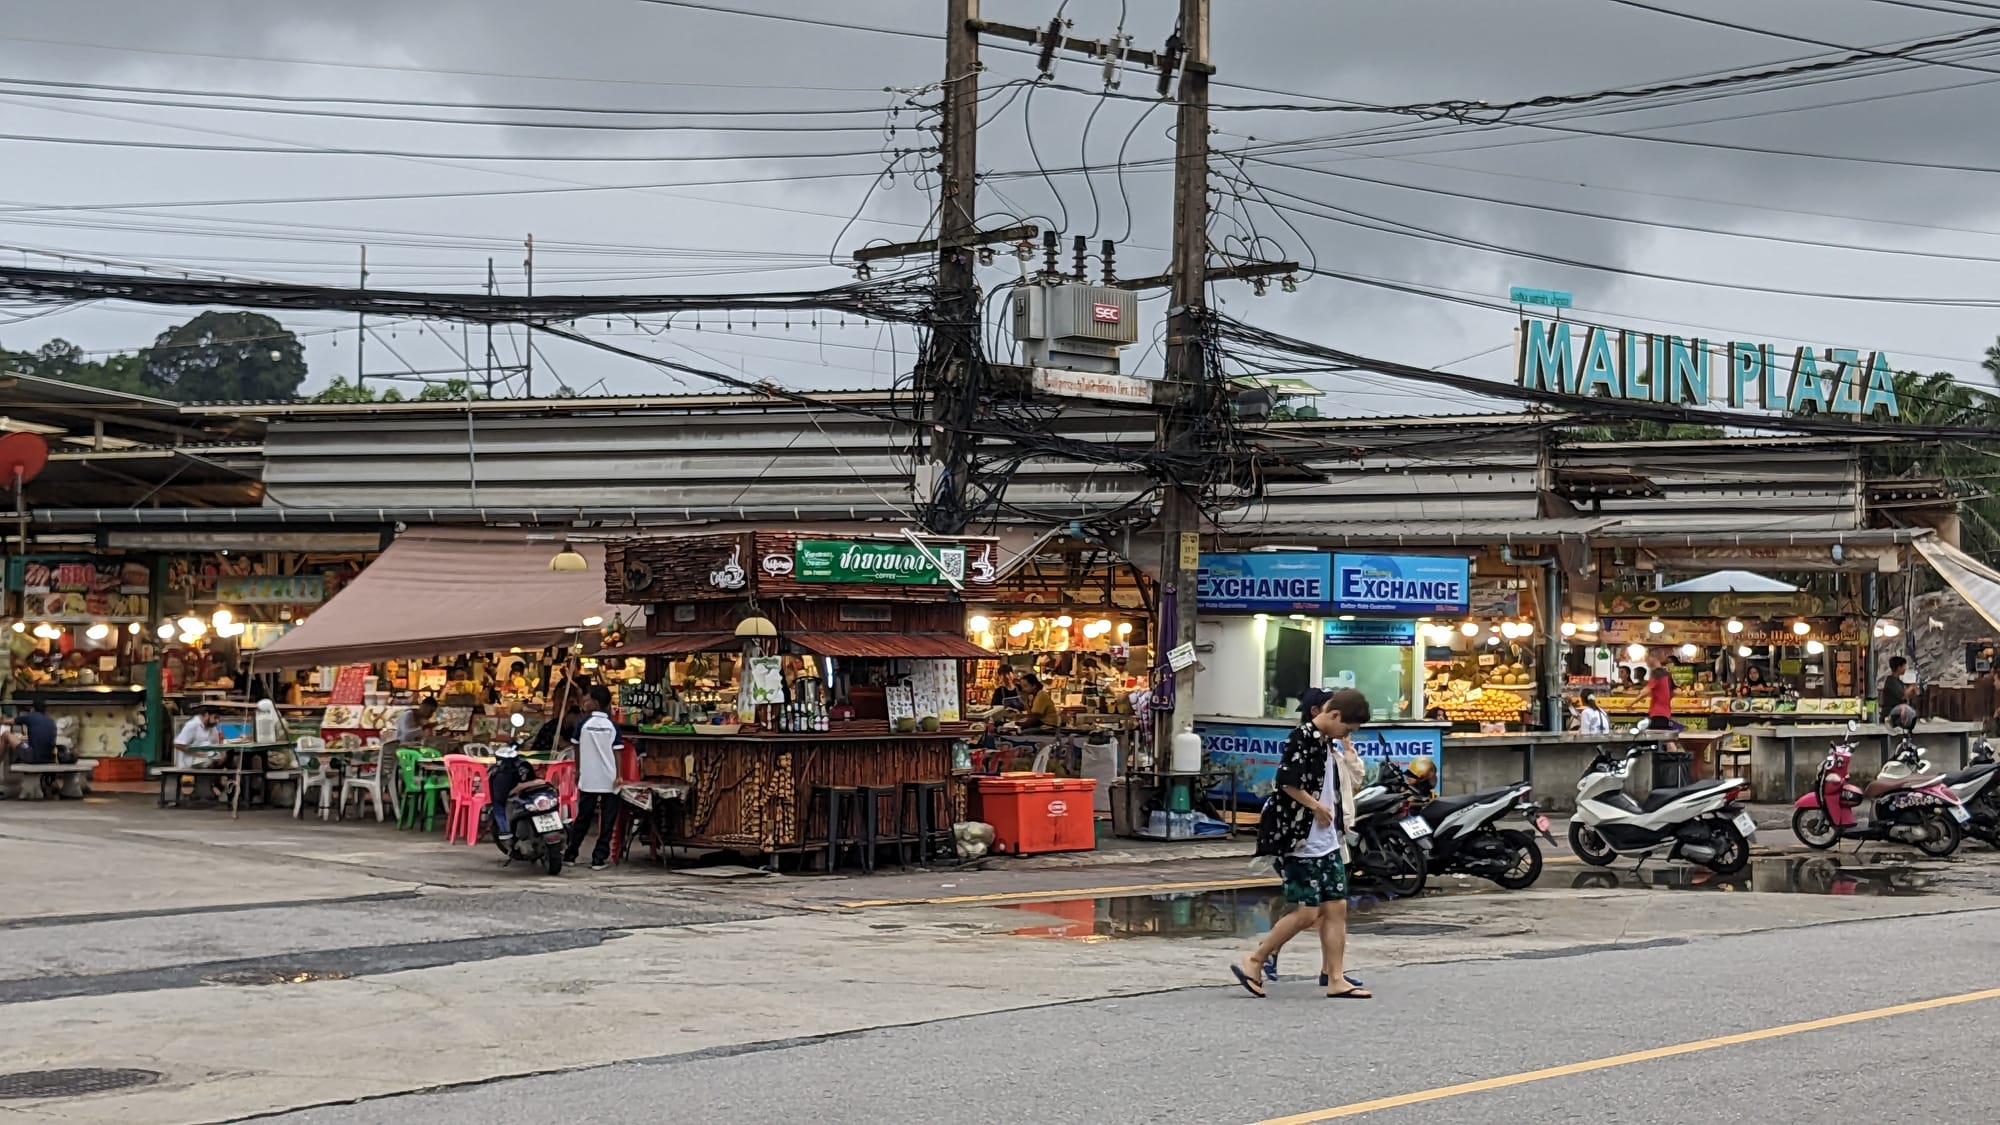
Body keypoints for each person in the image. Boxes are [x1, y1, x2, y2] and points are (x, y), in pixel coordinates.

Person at [1233, 687, 1373, 1001]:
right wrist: (1315, 806)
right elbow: (1286, 781)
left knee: (1337, 906)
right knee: (1308, 912)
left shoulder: (1326, 742)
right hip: (1301, 839)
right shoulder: (1302, 738)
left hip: (1327, 839)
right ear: (1334, 715)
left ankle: (1335, 977)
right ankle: (1255, 960)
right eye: (1346, 728)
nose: (1346, 734)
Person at [565, 685, 620, 871]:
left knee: (583, 817)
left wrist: (578, 770)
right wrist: (619, 775)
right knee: (608, 820)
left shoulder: (583, 724)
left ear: (595, 702)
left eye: (587, 699)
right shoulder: (612, 726)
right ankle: (599, 857)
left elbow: (576, 748)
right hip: (609, 778)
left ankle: (571, 854)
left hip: (588, 777)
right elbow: (617, 752)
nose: (584, 703)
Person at [487, 745, 540, 843]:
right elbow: (533, 778)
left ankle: (505, 831)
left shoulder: (498, 770)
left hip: (511, 797)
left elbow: (499, 796)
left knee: (497, 806)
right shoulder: (525, 764)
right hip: (531, 795)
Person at [173, 704, 227, 768]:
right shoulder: (192, 725)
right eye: (215, 717)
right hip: (188, 765)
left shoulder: (213, 728)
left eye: (218, 718)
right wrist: (198, 753)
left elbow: (216, 745)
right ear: (207, 715)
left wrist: (223, 754)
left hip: (207, 765)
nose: (217, 721)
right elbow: (178, 745)